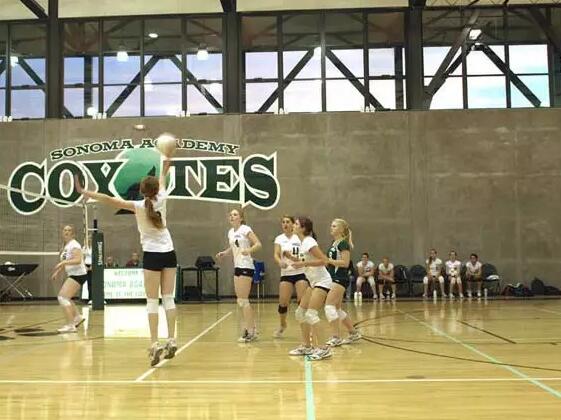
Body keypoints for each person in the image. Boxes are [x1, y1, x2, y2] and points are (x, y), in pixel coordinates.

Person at [76, 160, 178, 367]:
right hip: (169, 253)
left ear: (142, 191)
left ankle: (154, 343)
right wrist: (165, 168)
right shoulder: (163, 197)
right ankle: (172, 340)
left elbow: (109, 199)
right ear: (156, 190)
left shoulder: (138, 206)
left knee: (152, 301)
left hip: (152, 255)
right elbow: (162, 182)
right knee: (168, 298)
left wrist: (86, 192)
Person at [285, 216, 333, 361]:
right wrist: (293, 259)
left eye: (296, 224)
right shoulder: (302, 243)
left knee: (311, 314)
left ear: (303, 228)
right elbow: (306, 260)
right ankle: (307, 346)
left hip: (322, 281)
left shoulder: (309, 241)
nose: (293, 225)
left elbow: (324, 261)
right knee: (300, 313)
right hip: (313, 283)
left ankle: (324, 349)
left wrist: (302, 264)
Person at [216, 209, 262, 343]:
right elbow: (234, 246)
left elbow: (258, 244)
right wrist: (225, 253)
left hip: (246, 266)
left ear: (241, 218)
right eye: (230, 215)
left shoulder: (245, 229)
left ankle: (250, 331)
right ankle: (251, 328)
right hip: (237, 266)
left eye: (235, 214)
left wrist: (249, 250)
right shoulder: (231, 232)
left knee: (243, 300)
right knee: (240, 300)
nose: (232, 216)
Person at [325, 219, 361, 347]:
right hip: (333, 277)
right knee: (337, 308)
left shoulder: (343, 244)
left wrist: (328, 260)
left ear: (341, 229)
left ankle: (336, 337)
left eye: (334, 226)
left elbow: (345, 263)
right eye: (331, 225)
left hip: (340, 278)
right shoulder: (334, 243)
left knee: (329, 306)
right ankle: (353, 333)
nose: (331, 228)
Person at [273, 215, 309, 339]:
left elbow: (306, 254)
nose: (285, 224)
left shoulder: (299, 237)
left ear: (293, 224)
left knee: (302, 301)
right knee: (283, 303)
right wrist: (279, 262)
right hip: (286, 273)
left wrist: (295, 259)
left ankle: (305, 328)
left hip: (300, 272)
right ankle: (282, 324)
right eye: (283, 222)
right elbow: (276, 254)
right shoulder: (279, 238)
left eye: (288, 222)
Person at [50, 225, 87, 333]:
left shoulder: (75, 245)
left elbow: (78, 260)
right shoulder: (66, 246)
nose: (66, 232)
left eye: (69, 230)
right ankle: (77, 317)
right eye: (65, 230)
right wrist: (58, 271)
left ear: (73, 233)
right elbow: (66, 261)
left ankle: (71, 325)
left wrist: (63, 263)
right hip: (73, 274)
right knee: (66, 297)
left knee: (62, 297)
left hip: (78, 274)